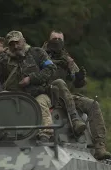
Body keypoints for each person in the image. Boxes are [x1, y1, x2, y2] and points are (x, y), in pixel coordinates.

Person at [43, 30, 111, 160]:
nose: (57, 41)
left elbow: (79, 82)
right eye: (54, 39)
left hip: (65, 96)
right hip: (46, 92)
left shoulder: (67, 59)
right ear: (48, 40)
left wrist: (79, 78)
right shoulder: (40, 54)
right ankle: (75, 120)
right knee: (59, 82)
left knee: (92, 105)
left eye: (59, 39)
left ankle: (99, 147)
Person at [0, 30, 57, 142]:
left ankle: (45, 134)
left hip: (37, 93)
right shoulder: (5, 58)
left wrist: (31, 78)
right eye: (11, 44)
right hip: (13, 94)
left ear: (23, 41)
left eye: (17, 42)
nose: (15, 46)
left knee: (41, 103)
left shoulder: (37, 53)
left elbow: (51, 69)